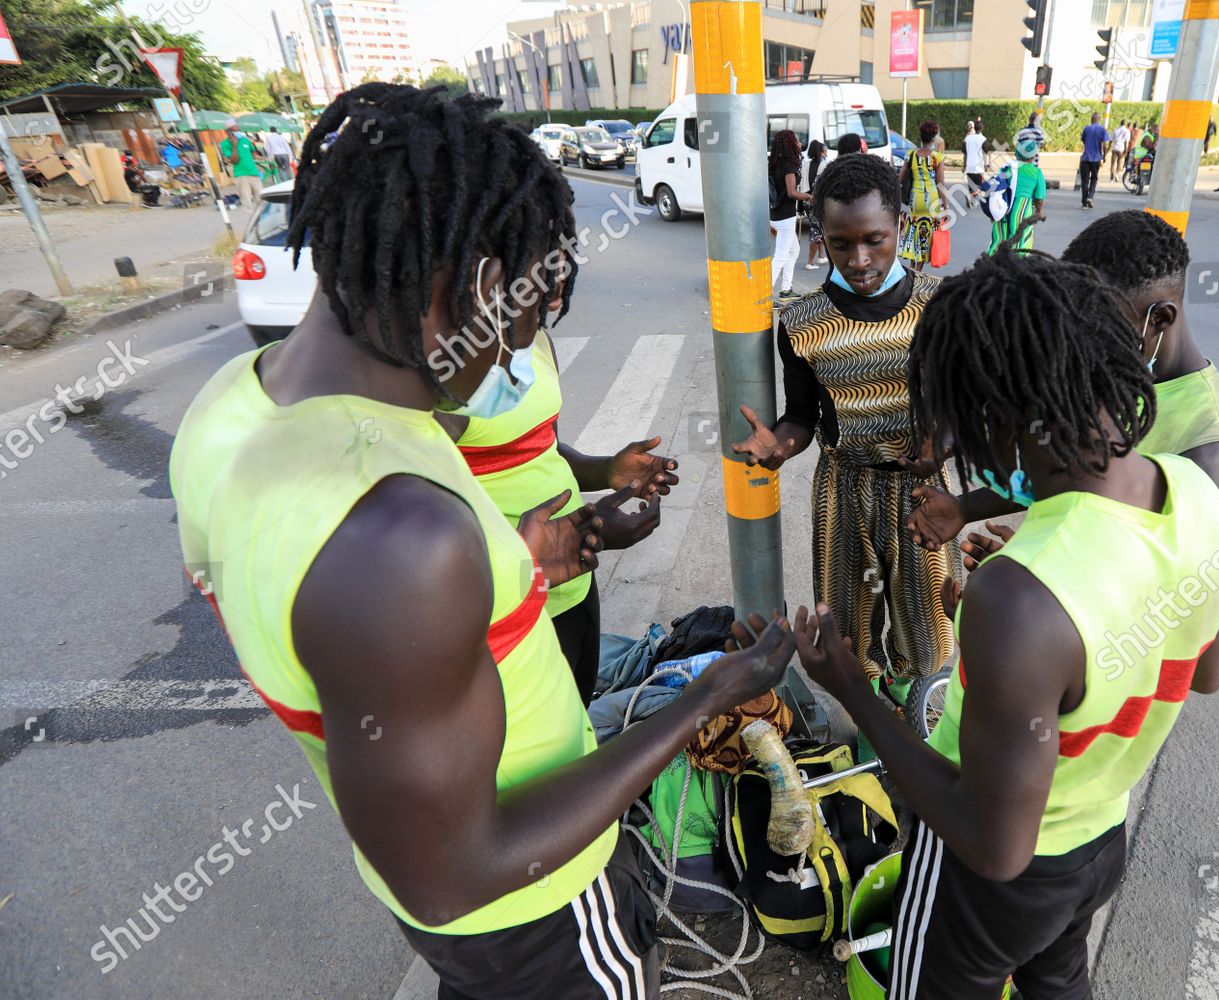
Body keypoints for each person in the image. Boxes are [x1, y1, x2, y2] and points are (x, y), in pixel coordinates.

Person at [170, 83, 797, 1000]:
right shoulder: (400, 537)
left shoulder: (234, 402)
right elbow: (459, 869)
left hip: (456, 921)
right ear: (479, 288)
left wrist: (531, 556)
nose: (519, 355)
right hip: (533, 916)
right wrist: (706, 697)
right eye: (530, 320)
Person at [794, 249, 1219, 999]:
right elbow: (1205, 670)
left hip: (990, 890)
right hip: (1097, 847)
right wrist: (1026, 650)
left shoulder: (1020, 598)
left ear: (998, 418)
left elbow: (992, 847)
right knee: (1058, 981)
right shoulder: (1196, 491)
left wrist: (848, 684)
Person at [731, 153, 960, 696]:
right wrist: (780, 446)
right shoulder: (803, 322)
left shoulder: (941, 308)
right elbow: (803, 418)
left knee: (928, 622)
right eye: (840, 243)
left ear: (900, 226)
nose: (859, 259)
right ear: (821, 238)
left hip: (922, 493)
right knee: (852, 619)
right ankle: (869, 716)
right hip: (843, 491)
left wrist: (943, 443)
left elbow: (962, 407)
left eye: (875, 239)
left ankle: (913, 704)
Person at [908, 208, 1219, 559]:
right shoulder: (1104, 373)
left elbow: (1185, 587)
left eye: (1102, 322)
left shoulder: (1213, 448)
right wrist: (965, 508)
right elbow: (1068, 465)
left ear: (1160, 318)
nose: (1084, 337)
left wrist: (1042, 583)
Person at [438, 334, 680, 702]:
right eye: (541, 275)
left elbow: (545, 448)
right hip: (507, 611)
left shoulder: (535, 337)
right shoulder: (441, 375)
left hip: (576, 586)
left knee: (578, 724)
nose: (556, 285)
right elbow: (407, 537)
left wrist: (607, 471)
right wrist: (522, 560)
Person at [897, 120, 948, 272]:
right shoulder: (937, 158)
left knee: (914, 233)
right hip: (931, 200)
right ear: (933, 138)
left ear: (921, 136)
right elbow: (941, 185)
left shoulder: (911, 155)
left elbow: (900, 179)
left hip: (915, 200)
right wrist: (946, 207)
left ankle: (912, 268)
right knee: (926, 235)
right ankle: (917, 272)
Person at [987, 126, 1046, 255]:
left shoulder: (1007, 168)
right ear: (1032, 156)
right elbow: (1039, 199)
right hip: (1023, 211)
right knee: (1021, 242)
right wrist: (1039, 212)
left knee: (999, 239)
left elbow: (995, 188)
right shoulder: (1036, 173)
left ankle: (990, 267)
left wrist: (993, 212)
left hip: (1004, 209)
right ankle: (1016, 268)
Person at [770, 129, 813, 300]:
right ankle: (763, 296)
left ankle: (786, 290)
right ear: (789, 143)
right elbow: (792, 192)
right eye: (796, 140)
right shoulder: (788, 164)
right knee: (780, 256)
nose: (799, 144)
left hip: (775, 215)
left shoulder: (774, 162)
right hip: (785, 217)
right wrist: (810, 197)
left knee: (793, 250)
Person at [218, 122, 264, 208]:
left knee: (261, 200)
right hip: (241, 175)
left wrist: (255, 161)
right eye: (236, 131)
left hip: (254, 172)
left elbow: (253, 151)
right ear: (228, 132)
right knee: (247, 202)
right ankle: (251, 220)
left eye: (239, 130)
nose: (239, 133)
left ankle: (263, 220)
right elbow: (235, 160)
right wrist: (234, 145)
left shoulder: (245, 140)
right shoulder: (225, 144)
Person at [804, 139, 829, 268]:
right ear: (821, 152)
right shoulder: (824, 165)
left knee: (819, 228)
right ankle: (809, 262)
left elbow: (801, 185)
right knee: (816, 231)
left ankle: (821, 256)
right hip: (817, 202)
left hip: (806, 201)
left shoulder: (805, 164)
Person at [1079, 112, 1108, 209]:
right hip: (1096, 158)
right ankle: (1090, 197)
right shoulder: (1102, 129)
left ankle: (1084, 202)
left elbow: (1083, 140)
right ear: (1099, 120)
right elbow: (1105, 144)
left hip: (1085, 157)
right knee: (1094, 179)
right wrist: (1104, 155)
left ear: (1091, 119)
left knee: (1085, 180)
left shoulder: (1086, 128)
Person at [963, 120, 987, 203]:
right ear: (982, 128)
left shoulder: (968, 138)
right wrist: (985, 165)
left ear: (975, 128)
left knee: (971, 185)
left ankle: (971, 198)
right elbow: (985, 153)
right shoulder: (983, 139)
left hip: (969, 166)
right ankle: (971, 196)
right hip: (979, 167)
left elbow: (965, 153)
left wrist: (964, 166)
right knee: (979, 186)